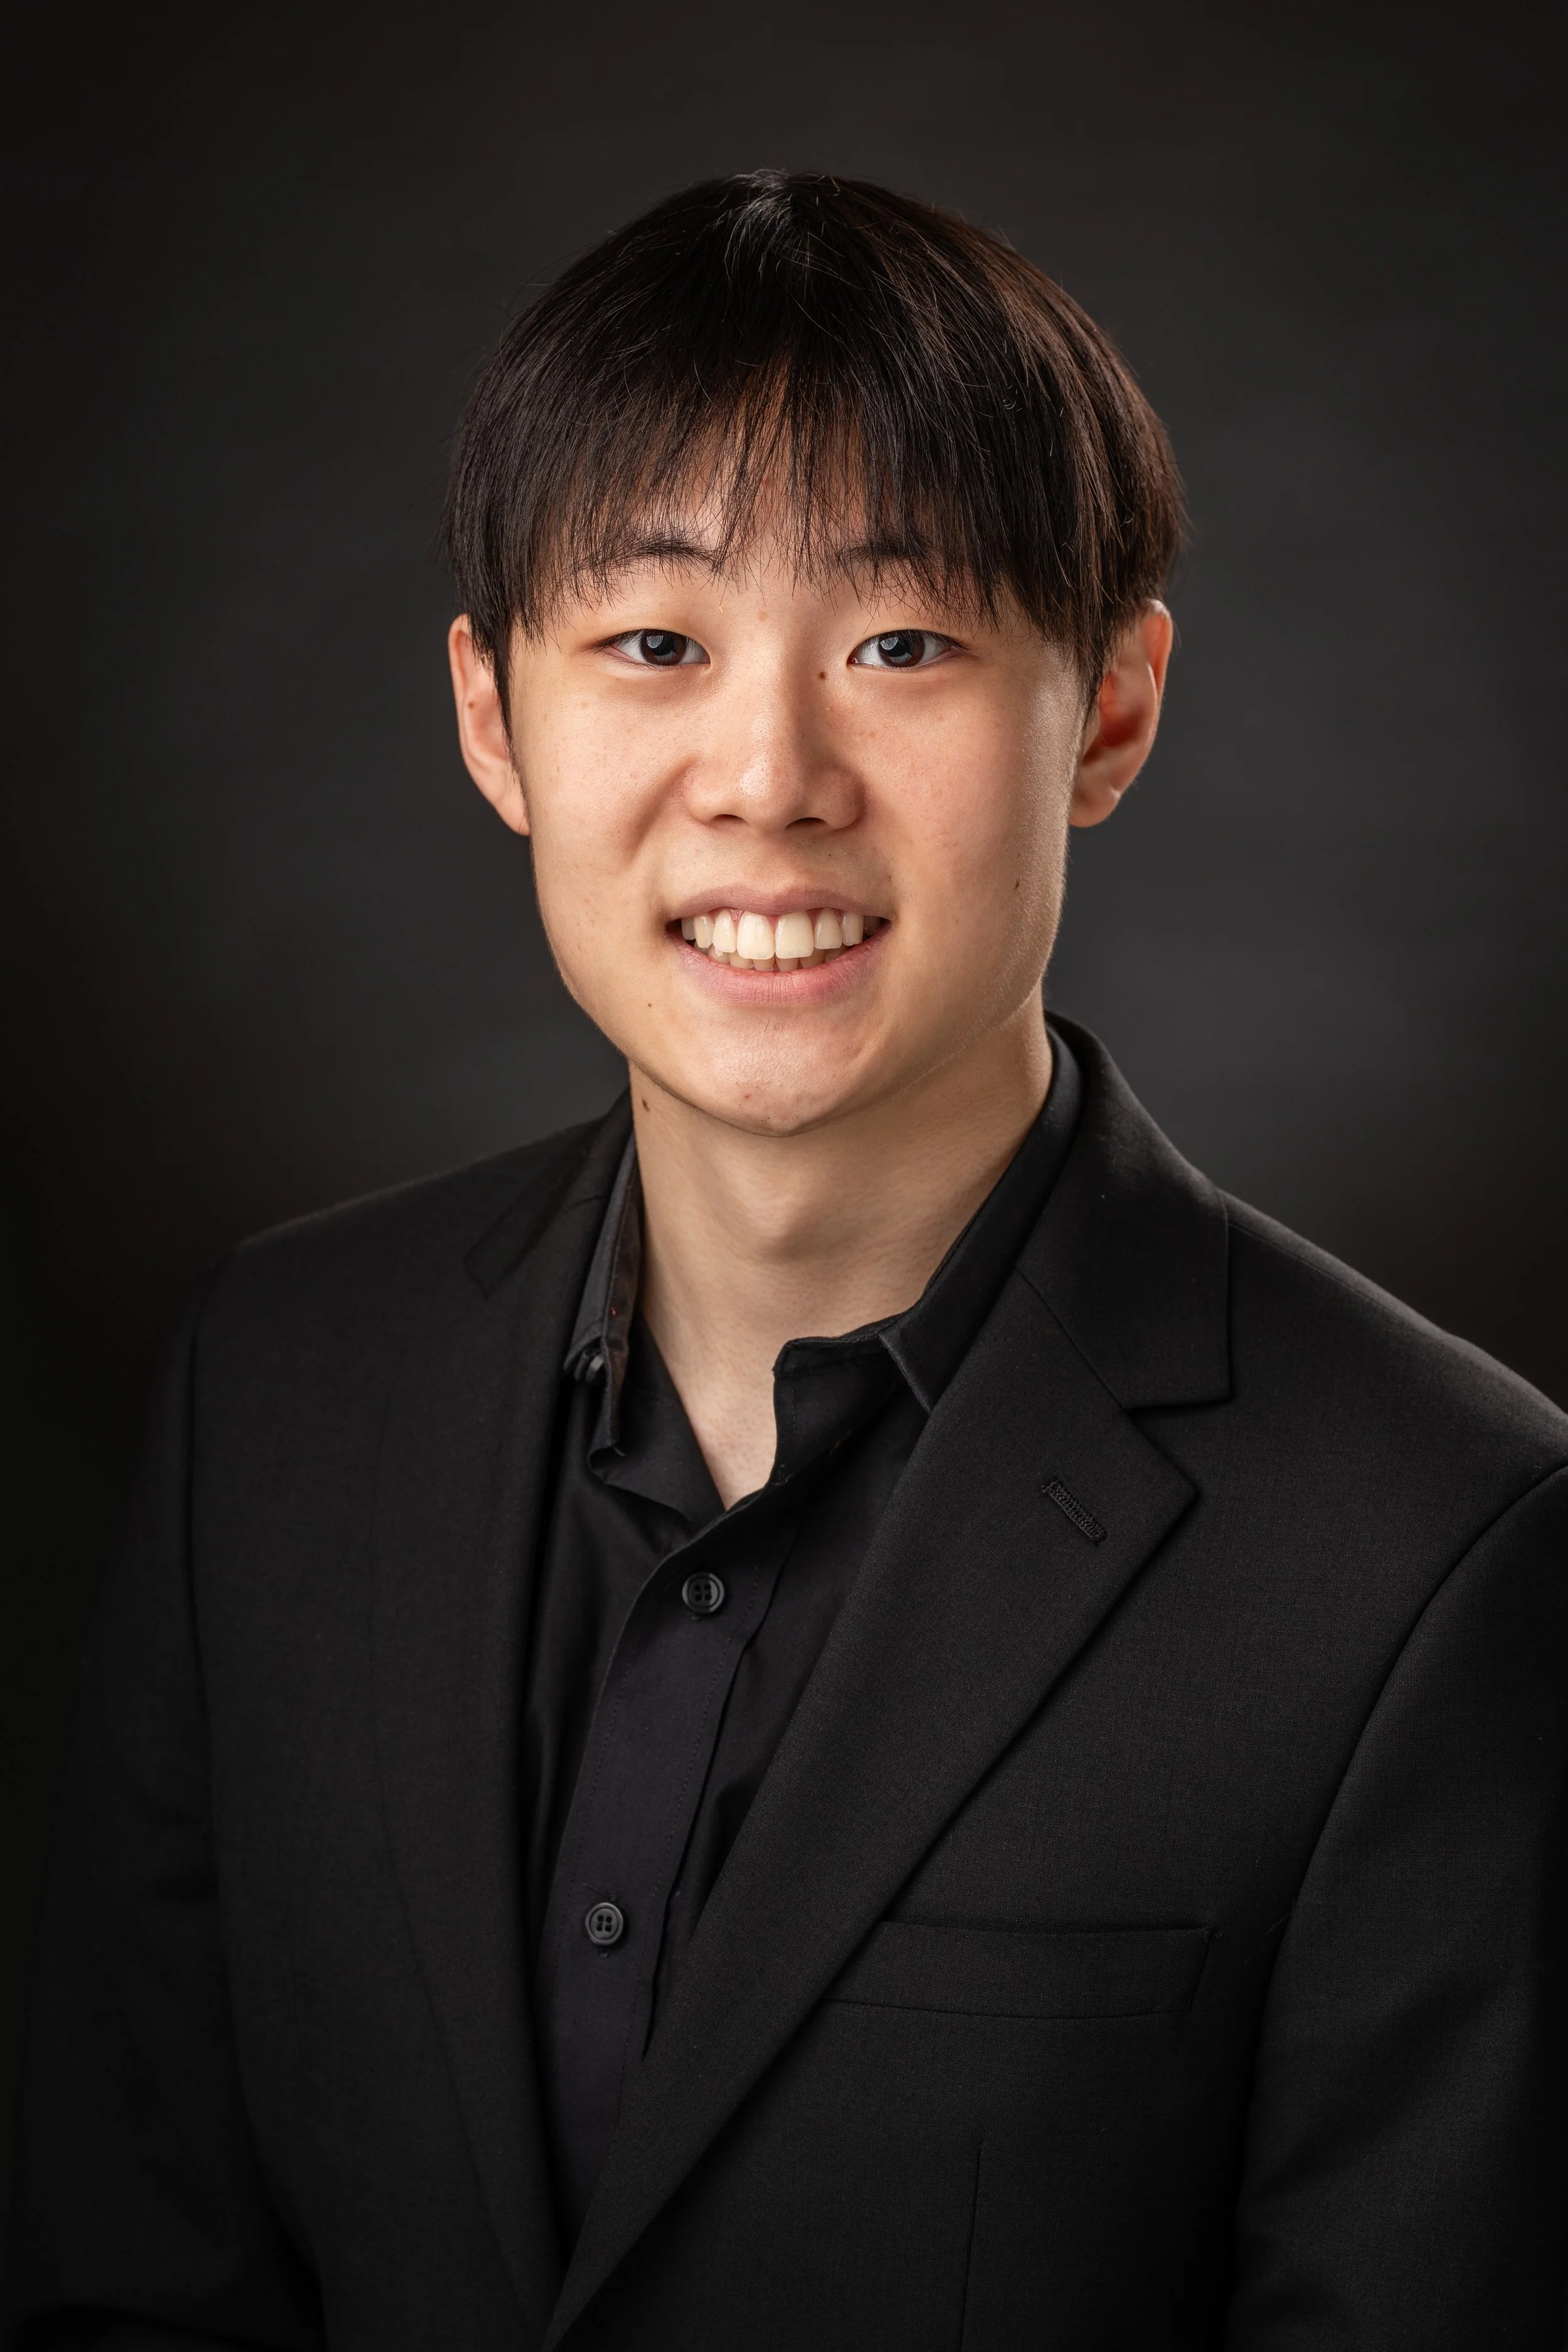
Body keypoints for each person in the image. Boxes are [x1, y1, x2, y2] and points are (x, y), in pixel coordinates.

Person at [6, 171, 1565, 2352]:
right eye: (652, 643)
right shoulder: (278, 1383)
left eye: (901, 644)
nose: (764, 777)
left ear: (1106, 711)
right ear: (491, 720)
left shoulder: (1436, 1548)